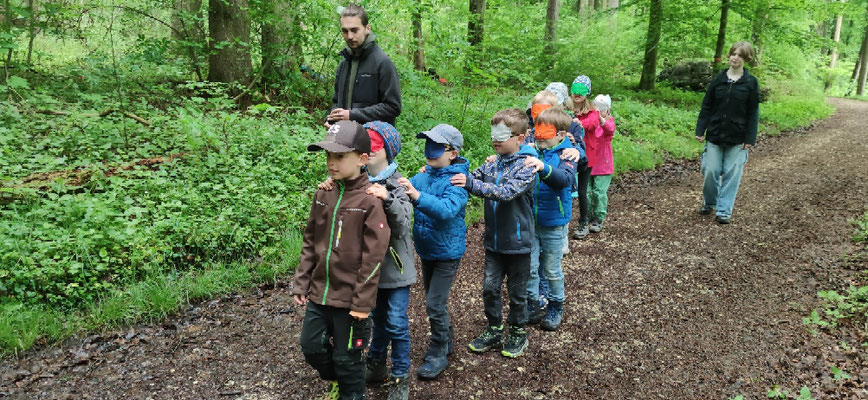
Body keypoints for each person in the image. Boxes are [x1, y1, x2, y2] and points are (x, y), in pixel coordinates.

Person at [293, 120, 392, 400]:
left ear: (362, 159)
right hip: (319, 294)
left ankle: (350, 390)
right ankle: (337, 378)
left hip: (351, 301)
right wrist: (302, 281)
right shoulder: (323, 194)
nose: (331, 163)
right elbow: (311, 240)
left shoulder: (370, 201)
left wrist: (362, 303)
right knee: (311, 346)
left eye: (339, 156)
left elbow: (374, 257)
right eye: (328, 155)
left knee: (349, 359)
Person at [452, 108, 540, 358]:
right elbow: (470, 177)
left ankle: (518, 333)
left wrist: (470, 183)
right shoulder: (493, 163)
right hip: (494, 242)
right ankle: (494, 329)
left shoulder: (527, 167)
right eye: (494, 134)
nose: (496, 139)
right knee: (489, 288)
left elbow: (505, 193)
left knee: (517, 292)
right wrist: (446, 171)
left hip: (519, 244)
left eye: (502, 135)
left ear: (520, 138)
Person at [397, 124, 469, 380]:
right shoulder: (423, 175)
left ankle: (438, 349)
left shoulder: (458, 181)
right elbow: (401, 191)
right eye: (428, 146)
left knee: (433, 303)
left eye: (438, 147)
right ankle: (446, 338)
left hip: (448, 253)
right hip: (427, 250)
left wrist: (416, 195)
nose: (431, 152)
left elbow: (446, 210)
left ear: (452, 152)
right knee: (433, 300)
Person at [524, 108, 579, 331]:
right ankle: (532, 304)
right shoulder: (532, 150)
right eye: (538, 129)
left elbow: (563, 179)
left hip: (554, 223)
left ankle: (556, 304)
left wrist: (543, 168)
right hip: (531, 220)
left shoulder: (568, 154)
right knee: (530, 266)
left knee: (552, 269)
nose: (540, 135)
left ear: (561, 134)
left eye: (546, 131)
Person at [695, 41, 760, 224]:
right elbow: (707, 105)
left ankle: (724, 210)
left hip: (738, 137)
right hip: (715, 134)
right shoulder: (719, 79)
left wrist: (750, 138)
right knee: (710, 170)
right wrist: (701, 129)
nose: (735, 57)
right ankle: (710, 202)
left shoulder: (751, 83)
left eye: (739, 55)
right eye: (733, 53)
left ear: (746, 58)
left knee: (732, 174)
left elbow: (753, 112)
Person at [326, 4, 401, 127]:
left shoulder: (382, 63)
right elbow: (336, 103)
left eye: (354, 30)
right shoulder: (344, 64)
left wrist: (352, 115)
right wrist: (331, 119)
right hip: (345, 136)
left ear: (367, 28)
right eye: (345, 31)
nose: (350, 36)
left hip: (374, 139)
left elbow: (393, 107)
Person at [569, 75, 600, 240]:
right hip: (568, 155)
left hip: (586, 156)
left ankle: (584, 221)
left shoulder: (593, 112)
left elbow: (593, 123)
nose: (577, 94)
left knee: (582, 191)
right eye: (575, 90)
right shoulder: (566, 109)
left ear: (587, 93)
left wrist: (579, 123)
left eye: (581, 90)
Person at [588, 94, 616, 233]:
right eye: (596, 108)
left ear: (608, 110)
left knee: (599, 192)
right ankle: (587, 216)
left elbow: (610, 129)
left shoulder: (608, 122)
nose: (599, 111)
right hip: (588, 163)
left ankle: (599, 218)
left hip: (603, 165)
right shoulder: (590, 122)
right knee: (586, 192)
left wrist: (601, 120)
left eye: (602, 109)